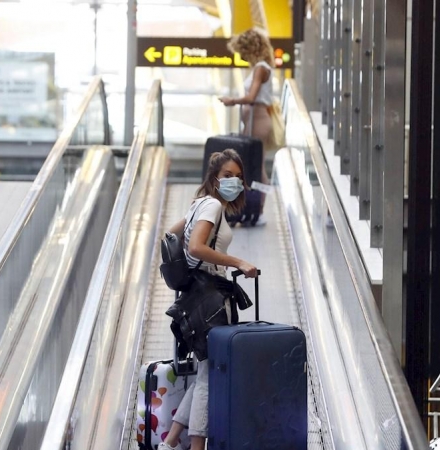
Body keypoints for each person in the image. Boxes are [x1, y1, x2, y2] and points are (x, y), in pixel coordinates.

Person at [158, 149, 258, 450]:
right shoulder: (212, 205)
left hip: (196, 297)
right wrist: (237, 262)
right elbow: (197, 248)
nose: (234, 181)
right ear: (214, 177)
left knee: (206, 371)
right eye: (228, 175)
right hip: (209, 299)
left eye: (238, 177)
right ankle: (196, 446)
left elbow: (170, 237)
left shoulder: (198, 204)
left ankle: (171, 441)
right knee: (209, 377)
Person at [218, 28, 276, 225]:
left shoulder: (261, 68)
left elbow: (251, 97)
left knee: (255, 166)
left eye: (243, 51)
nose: (242, 56)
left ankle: (258, 210)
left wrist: (231, 101)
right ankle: (250, 208)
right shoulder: (260, 67)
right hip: (252, 121)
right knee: (250, 164)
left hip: (257, 121)